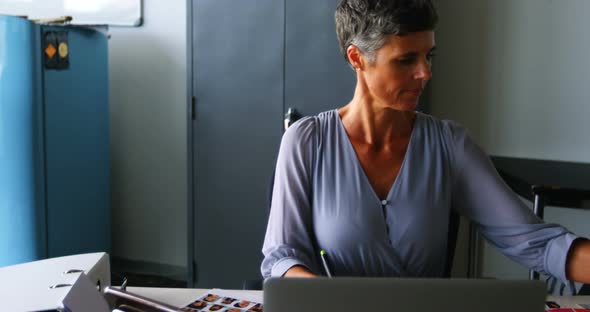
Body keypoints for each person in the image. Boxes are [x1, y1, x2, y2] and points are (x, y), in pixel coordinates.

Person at [261, 0, 590, 284]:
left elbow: (538, 243)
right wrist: (330, 299)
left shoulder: (449, 145)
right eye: (406, 60)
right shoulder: (306, 142)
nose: (425, 72)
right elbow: (281, 258)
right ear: (357, 58)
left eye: (428, 56)